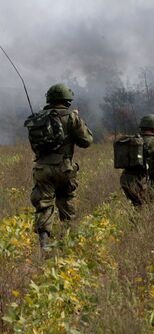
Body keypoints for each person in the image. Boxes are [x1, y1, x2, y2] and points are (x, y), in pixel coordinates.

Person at [27, 83, 93, 249]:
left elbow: (35, 145)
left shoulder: (37, 118)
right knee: (67, 202)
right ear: (67, 100)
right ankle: (67, 242)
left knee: (43, 205)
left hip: (42, 168)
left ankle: (44, 245)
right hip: (64, 168)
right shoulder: (71, 117)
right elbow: (86, 142)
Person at [120, 114, 154, 206]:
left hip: (125, 180)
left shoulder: (132, 140)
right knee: (148, 209)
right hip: (142, 181)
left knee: (137, 207)